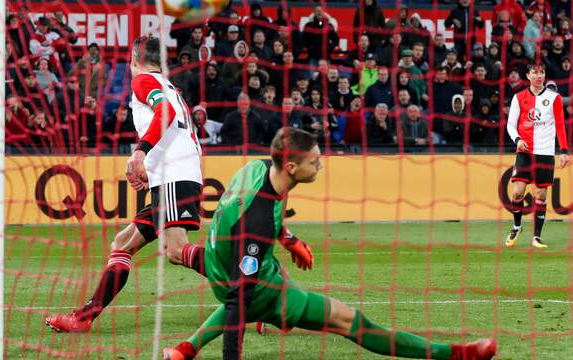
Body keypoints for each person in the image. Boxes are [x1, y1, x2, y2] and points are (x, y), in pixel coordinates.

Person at [162, 128, 497, 360]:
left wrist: (288, 239)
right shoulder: (258, 224)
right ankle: (456, 353)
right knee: (354, 323)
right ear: (292, 166)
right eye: (315, 161)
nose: (321, 165)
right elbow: (237, 304)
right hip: (252, 284)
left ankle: (188, 344)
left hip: (225, 259)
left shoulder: (258, 168)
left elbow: (265, 212)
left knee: (238, 273)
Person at [45, 35, 207, 332]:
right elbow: (182, 132)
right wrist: (154, 172)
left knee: (175, 250)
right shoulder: (170, 87)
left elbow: (166, 115)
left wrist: (140, 153)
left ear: (133, 59)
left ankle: (252, 286)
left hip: (175, 176)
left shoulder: (143, 80)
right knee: (123, 242)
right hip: (173, 175)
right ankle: (84, 318)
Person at [505, 63, 570, 249]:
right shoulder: (518, 97)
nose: (539, 75)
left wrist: (564, 151)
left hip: (545, 152)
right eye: (535, 72)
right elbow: (510, 124)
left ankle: (536, 237)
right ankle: (517, 227)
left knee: (541, 195)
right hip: (525, 152)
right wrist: (517, 139)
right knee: (517, 192)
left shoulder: (554, 98)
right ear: (528, 75)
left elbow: (560, 125)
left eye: (541, 72)